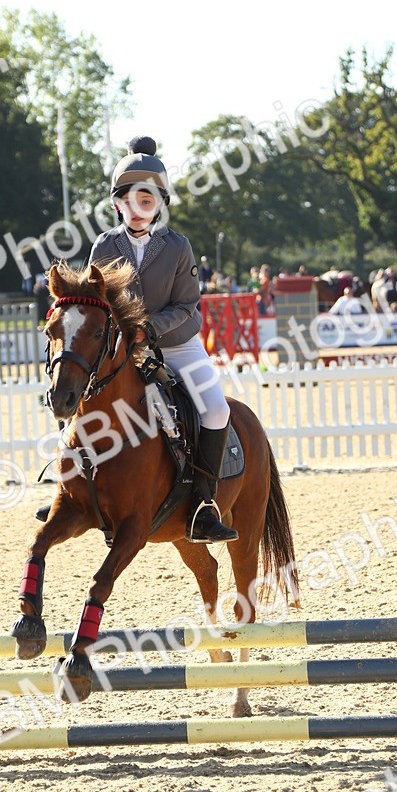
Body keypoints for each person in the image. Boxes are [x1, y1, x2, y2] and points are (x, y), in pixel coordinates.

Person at [83, 135, 238, 544]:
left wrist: (148, 329)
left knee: (217, 411)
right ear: (118, 203)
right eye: (130, 201)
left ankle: (204, 506)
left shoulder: (178, 246)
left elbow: (187, 305)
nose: (138, 209)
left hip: (176, 344)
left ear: (158, 204)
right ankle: (73, 489)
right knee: (80, 396)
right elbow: (93, 300)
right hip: (123, 349)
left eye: (147, 201)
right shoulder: (104, 245)